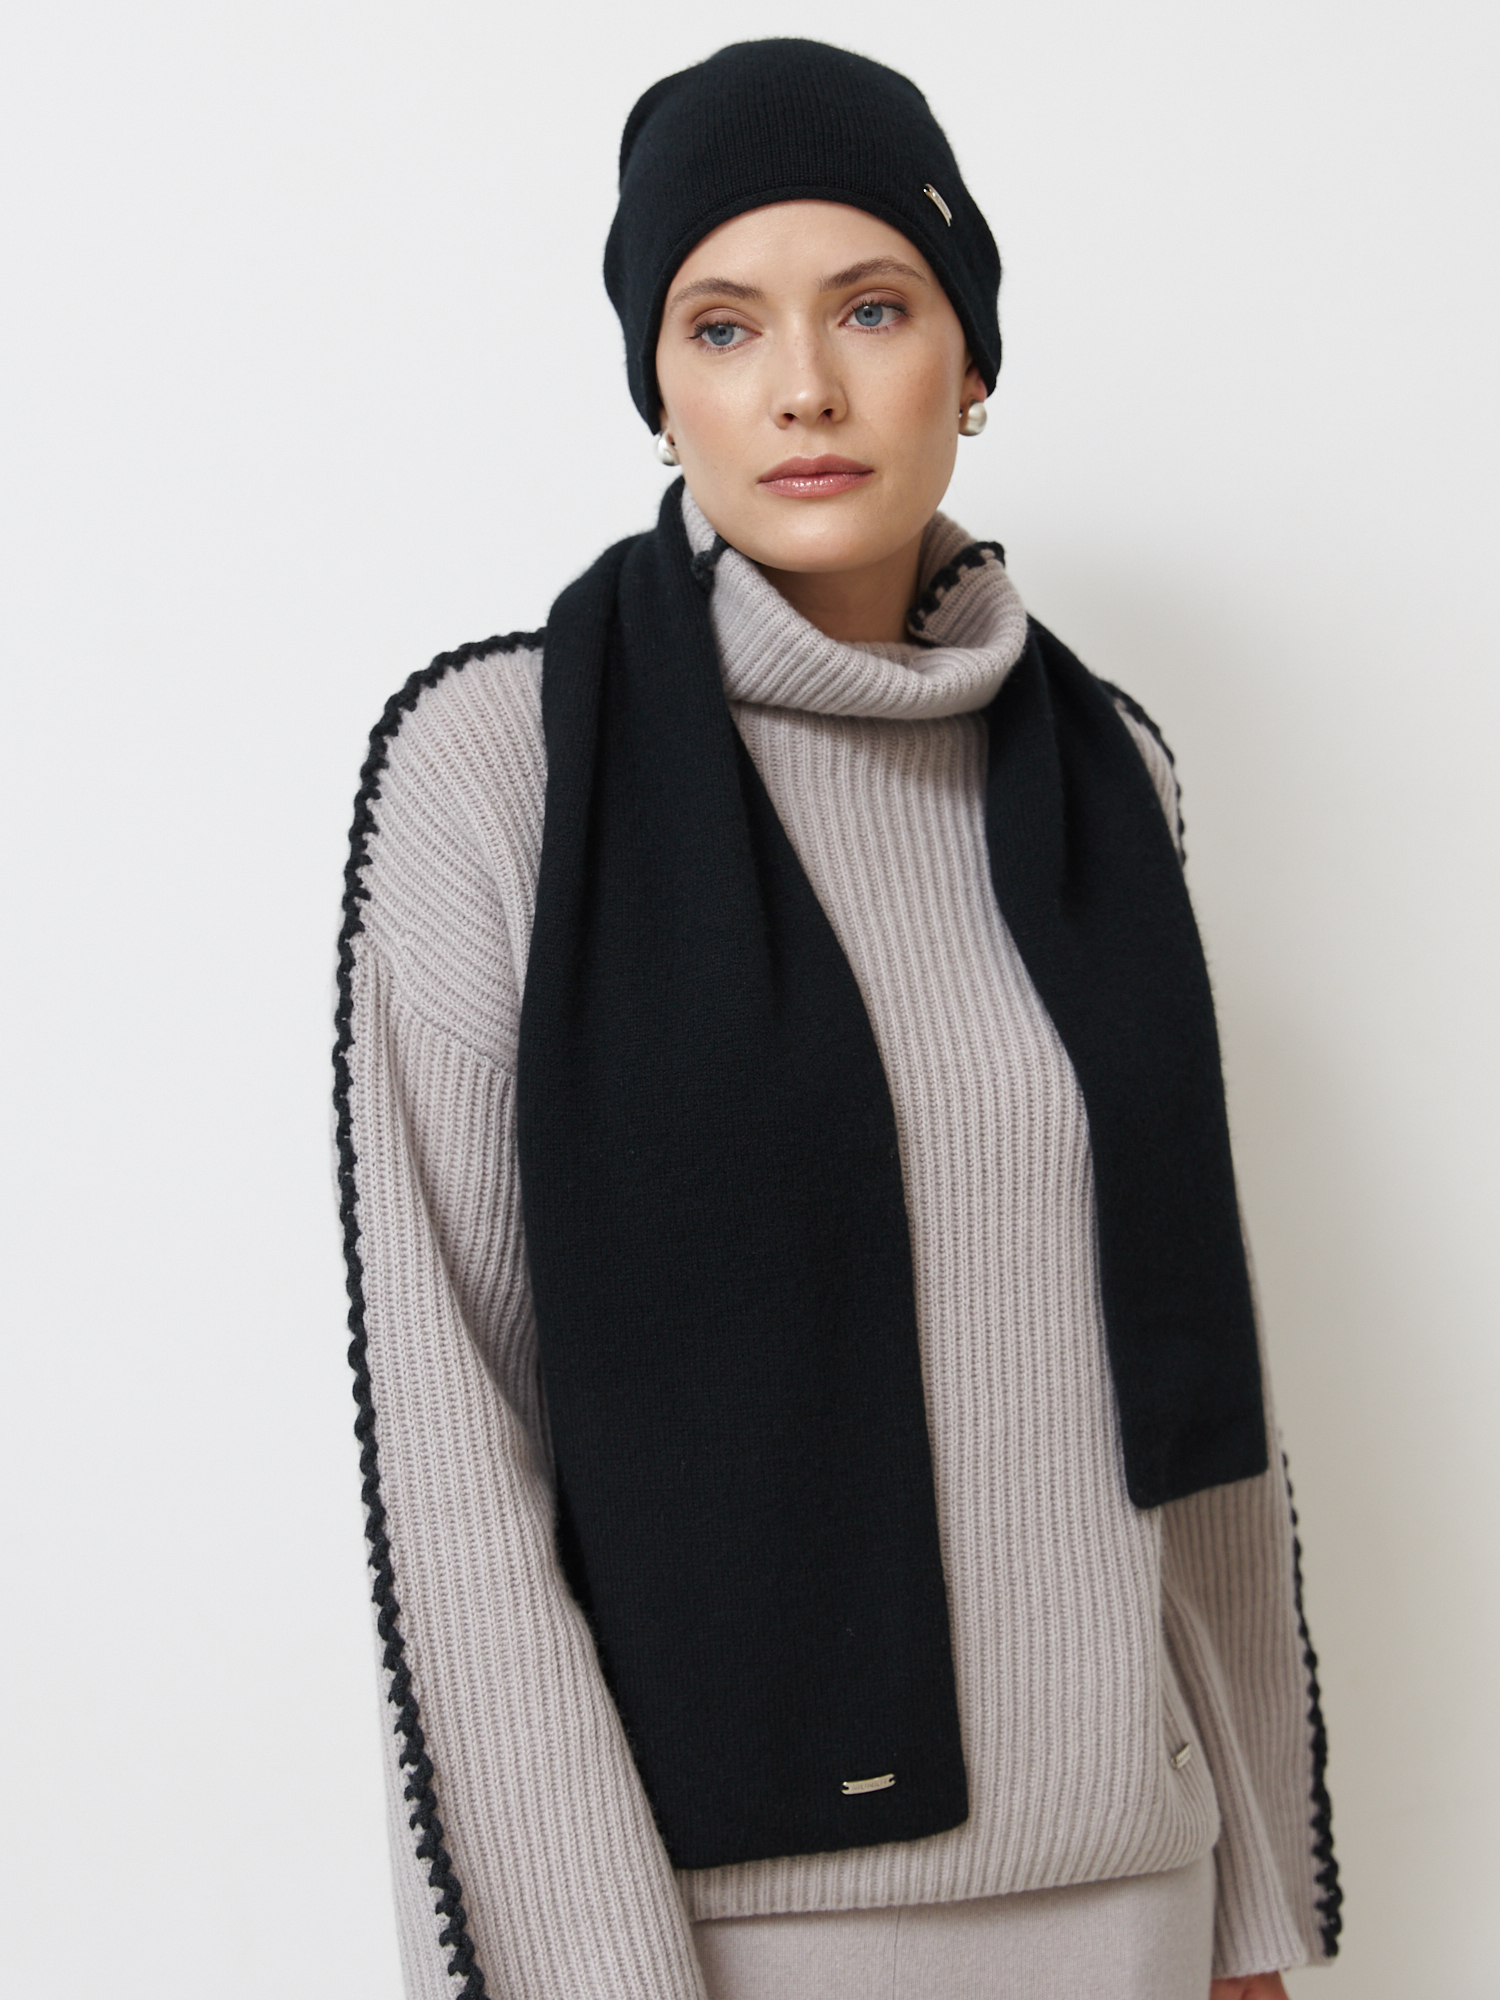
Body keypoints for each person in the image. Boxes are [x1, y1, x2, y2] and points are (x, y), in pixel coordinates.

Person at [332, 37, 1341, 2000]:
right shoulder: (497, 773)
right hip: (733, 1930)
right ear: (661, 389)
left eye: (872, 308)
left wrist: (1251, 1911)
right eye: (722, 326)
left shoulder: (1103, 782)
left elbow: (1189, 1389)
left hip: (1133, 1892)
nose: (801, 385)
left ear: (971, 361)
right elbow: (454, 1457)